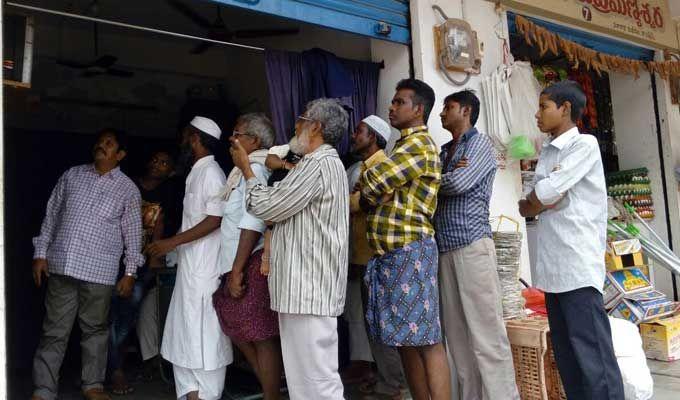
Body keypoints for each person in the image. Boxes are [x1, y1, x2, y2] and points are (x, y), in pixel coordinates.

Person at [230, 98, 349, 400]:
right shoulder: (313, 164)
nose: (295, 125)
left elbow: (265, 205)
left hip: (308, 290)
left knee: (317, 381)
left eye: (301, 119)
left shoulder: (319, 164)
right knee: (304, 381)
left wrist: (247, 169)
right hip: (302, 290)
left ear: (316, 127)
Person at [518, 80, 624, 399]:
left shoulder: (585, 145)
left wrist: (539, 200)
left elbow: (544, 195)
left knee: (594, 359)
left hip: (577, 268)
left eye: (544, 106)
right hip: (552, 272)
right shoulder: (549, 151)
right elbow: (531, 202)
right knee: (568, 359)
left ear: (565, 109)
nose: (537, 114)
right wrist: (538, 200)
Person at [31, 129, 144, 400]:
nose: (101, 146)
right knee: (54, 330)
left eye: (109, 143)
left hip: (99, 271)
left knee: (95, 330)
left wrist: (130, 273)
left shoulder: (127, 189)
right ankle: (44, 390)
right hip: (62, 264)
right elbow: (52, 216)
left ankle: (92, 385)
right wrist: (40, 253)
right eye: (100, 141)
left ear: (120, 155)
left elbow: (133, 234)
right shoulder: (72, 175)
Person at [360, 79, 451, 400]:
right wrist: (372, 182)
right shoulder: (401, 147)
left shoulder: (420, 145)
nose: (392, 107)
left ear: (418, 109)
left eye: (400, 102)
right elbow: (373, 184)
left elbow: (373, 182)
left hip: (410, 251)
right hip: (393, 254)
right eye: (393, 102)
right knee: (405, 340)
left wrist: (371, 182)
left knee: (426, 339)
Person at [435, 90, 520, 400]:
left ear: (466, 110)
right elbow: (445, 184)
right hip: (445, 248)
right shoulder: (445, 152)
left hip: (472, 244)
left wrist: (438, 180)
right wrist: (445, 176)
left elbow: (459, 183)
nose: (442, 113)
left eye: (449, 107)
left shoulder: (480, 144)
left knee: (487, 335)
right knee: (457, 338)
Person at [147, 116, 231, 400]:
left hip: (205, 269)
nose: (183, 141)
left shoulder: (212, 174)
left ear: (195, 139)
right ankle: (191, 394)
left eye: (187, 136)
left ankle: (205, 394)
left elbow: (214, 219)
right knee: (184, 332)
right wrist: (171, 251)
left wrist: (171, 242)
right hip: (189, 267)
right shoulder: (196, 172)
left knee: (204, 334)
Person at [212, 113, 283, 400]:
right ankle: (271, 389)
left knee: (260, 335)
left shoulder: (257, 170)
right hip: (239, 262)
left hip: (250, 263)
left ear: (254, 141)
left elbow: (253, 222)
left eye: (237, 133)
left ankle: (271, 395)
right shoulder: (242, 171)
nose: (232, 138)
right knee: (240, 328)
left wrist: (238, 269)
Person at [108, 149, 177, 395]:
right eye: (155, 159)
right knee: (104, 317)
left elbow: (159, 229)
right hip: (109, 259)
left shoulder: (166, 195)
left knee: (125, 317)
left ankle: (115, 371)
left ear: (172, 172)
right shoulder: (128, 185)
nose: (157, 164)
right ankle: (99, 372)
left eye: (164, 162)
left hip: (140, 265)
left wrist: (153, 262)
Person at [348, 115, 407, 400]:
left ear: (374, 137)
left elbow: (357, 204)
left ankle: (394, 386)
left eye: (360, 131)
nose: (354, 134)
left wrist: (353, 199)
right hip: (364, 257)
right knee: (373, 324)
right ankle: (389, 381)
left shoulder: (381, 166)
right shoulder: (361, 168)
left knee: (383, 325)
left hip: (378, 257)